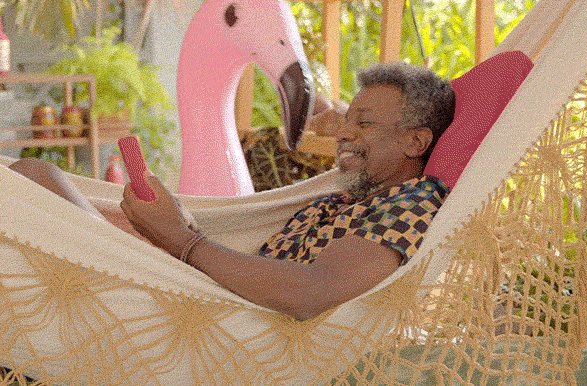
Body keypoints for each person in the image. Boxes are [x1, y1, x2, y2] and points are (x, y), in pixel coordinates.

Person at [9, 61, 455, 321]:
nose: (343, 133)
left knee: (27, 189)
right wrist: (173, 231)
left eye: (365, 123)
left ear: (416, 141)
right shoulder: (335, 201)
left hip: (219, 325)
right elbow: (255, 264)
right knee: (32, 175)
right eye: (347, 119)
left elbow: (312, 292)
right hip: (201, 290)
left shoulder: (408, 205)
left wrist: (183, 241)